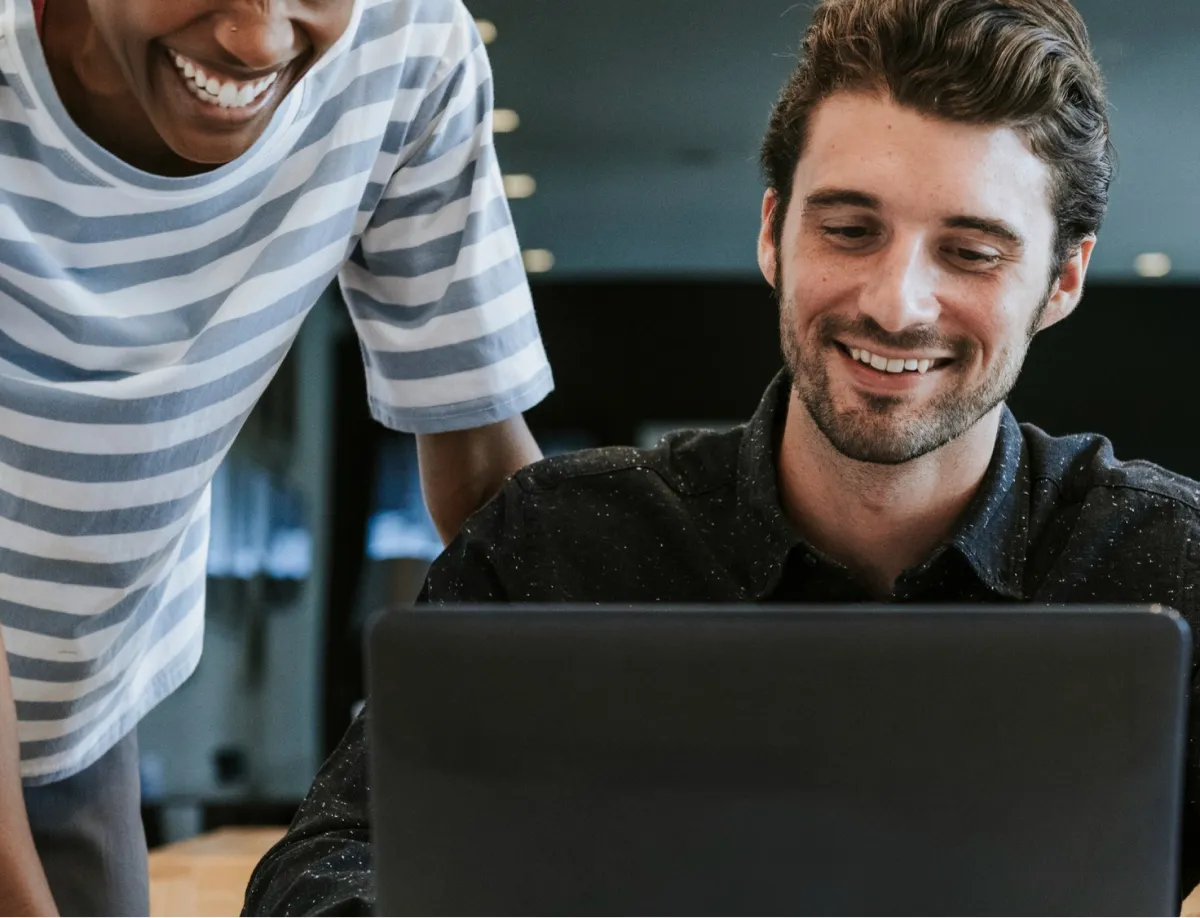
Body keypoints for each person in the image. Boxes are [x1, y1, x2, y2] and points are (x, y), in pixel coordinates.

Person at [241, 0, 1200, 913]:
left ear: (1064, 278)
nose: (897, 303)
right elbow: (323, 870)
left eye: (973, 251)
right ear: (773, 232)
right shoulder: (561, 543)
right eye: (850, 230)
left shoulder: (1166, 561)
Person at [0, 0, 553, 913]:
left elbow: (489, 477)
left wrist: (640, 762)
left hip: (79, 722)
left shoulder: (409, 46)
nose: (258, 40)